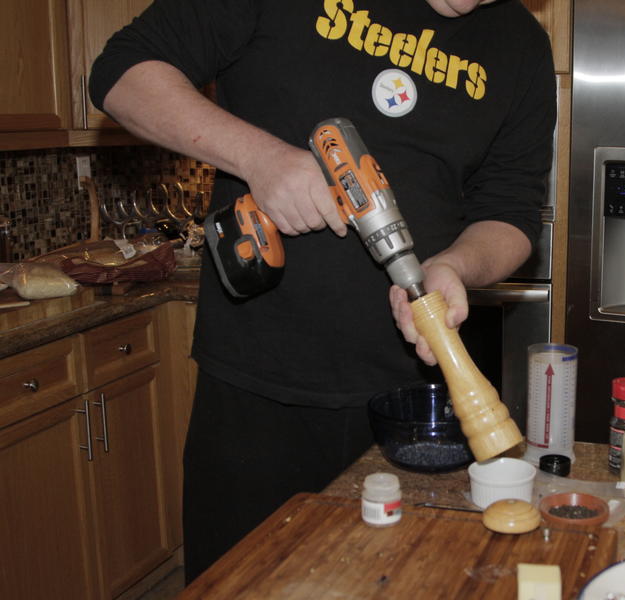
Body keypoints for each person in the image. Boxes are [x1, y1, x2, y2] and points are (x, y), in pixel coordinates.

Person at [90, 0, 556, 583]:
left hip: (419, 402)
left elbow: (511, 213)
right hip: (260, 392)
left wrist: (456, 265)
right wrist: (262, 160)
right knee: (242, 584)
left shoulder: (521, 44)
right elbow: (122, 74)